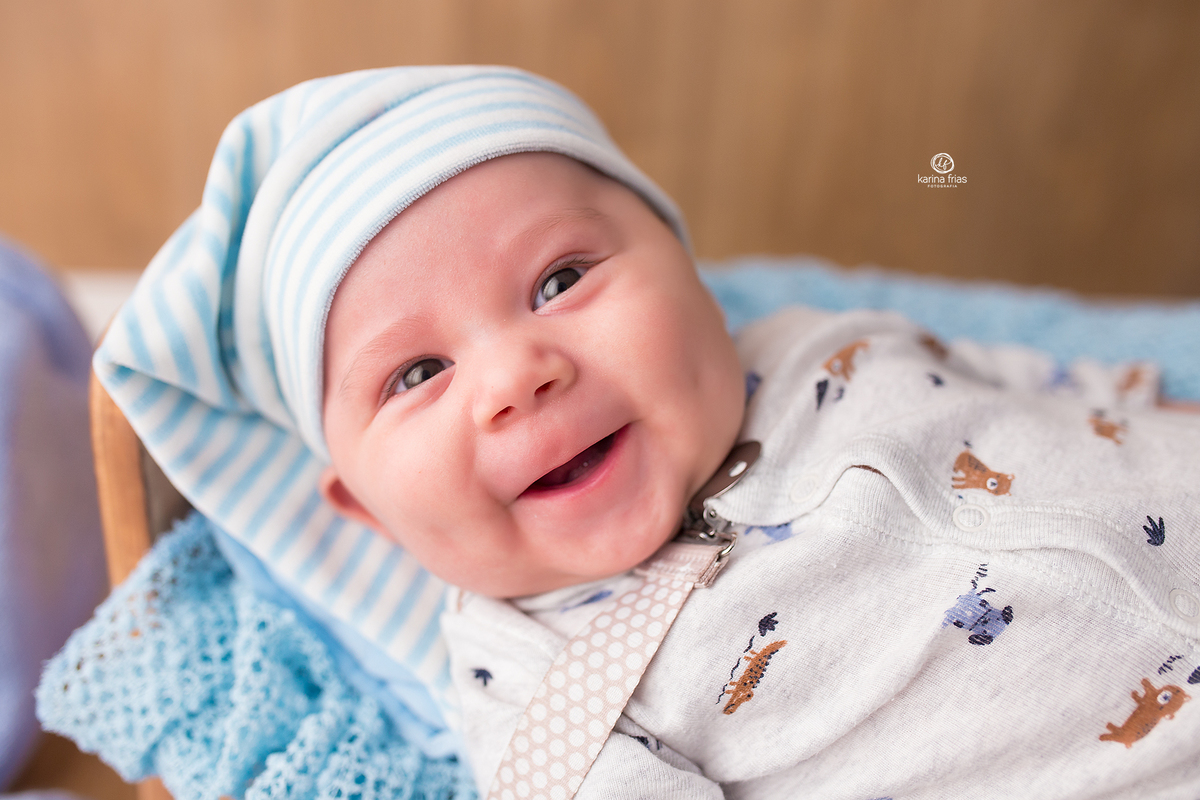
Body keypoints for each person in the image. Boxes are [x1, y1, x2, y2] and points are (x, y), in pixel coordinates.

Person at [88, 66, 1200, 798]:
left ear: (692, 277)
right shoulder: (538, 682)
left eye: (560, 277)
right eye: (418, 372)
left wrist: (1152, 397)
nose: (518, 376)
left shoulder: (817, 341)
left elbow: (1030, 378)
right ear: (365, 508)